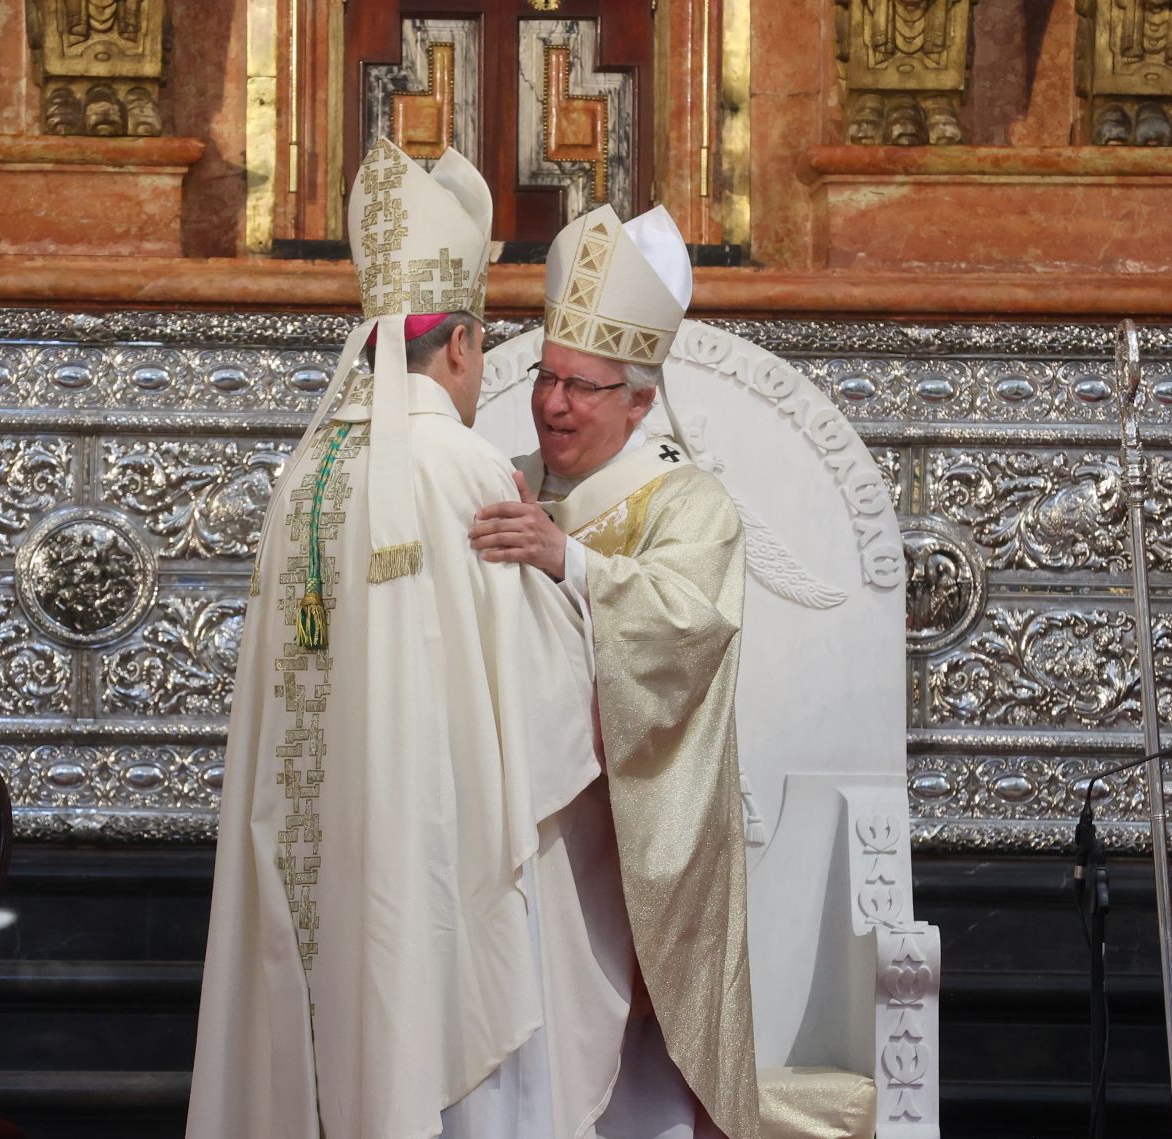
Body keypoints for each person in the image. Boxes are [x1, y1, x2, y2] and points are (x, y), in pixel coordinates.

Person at [188, 140, 653, 1139]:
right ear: (459, 345)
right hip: (434, 867)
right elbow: (550, 711)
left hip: (316, 859)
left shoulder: (302, 472)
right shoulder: (465, 466)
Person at [470, 204, 763, 1139]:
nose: (554, 404)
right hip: (514, 826)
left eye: (585, 388)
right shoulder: (505, 477)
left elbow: (691, 625)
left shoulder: (690, 503)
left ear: (640, 400)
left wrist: (573, 563)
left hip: (626, 827)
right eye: (547, 378)